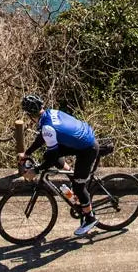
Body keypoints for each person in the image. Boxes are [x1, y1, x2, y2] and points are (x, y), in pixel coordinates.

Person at [18, 94, 100, 236]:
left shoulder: (47, 127)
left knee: (79, 188)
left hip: (87, 148)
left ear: (30, 115)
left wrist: (36, 170)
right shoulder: (50, 113)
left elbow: (51, 154)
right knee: (48, 155)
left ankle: (90, 218)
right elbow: (42, 138)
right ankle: (72, 174)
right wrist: (27, 153)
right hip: (83, 139)